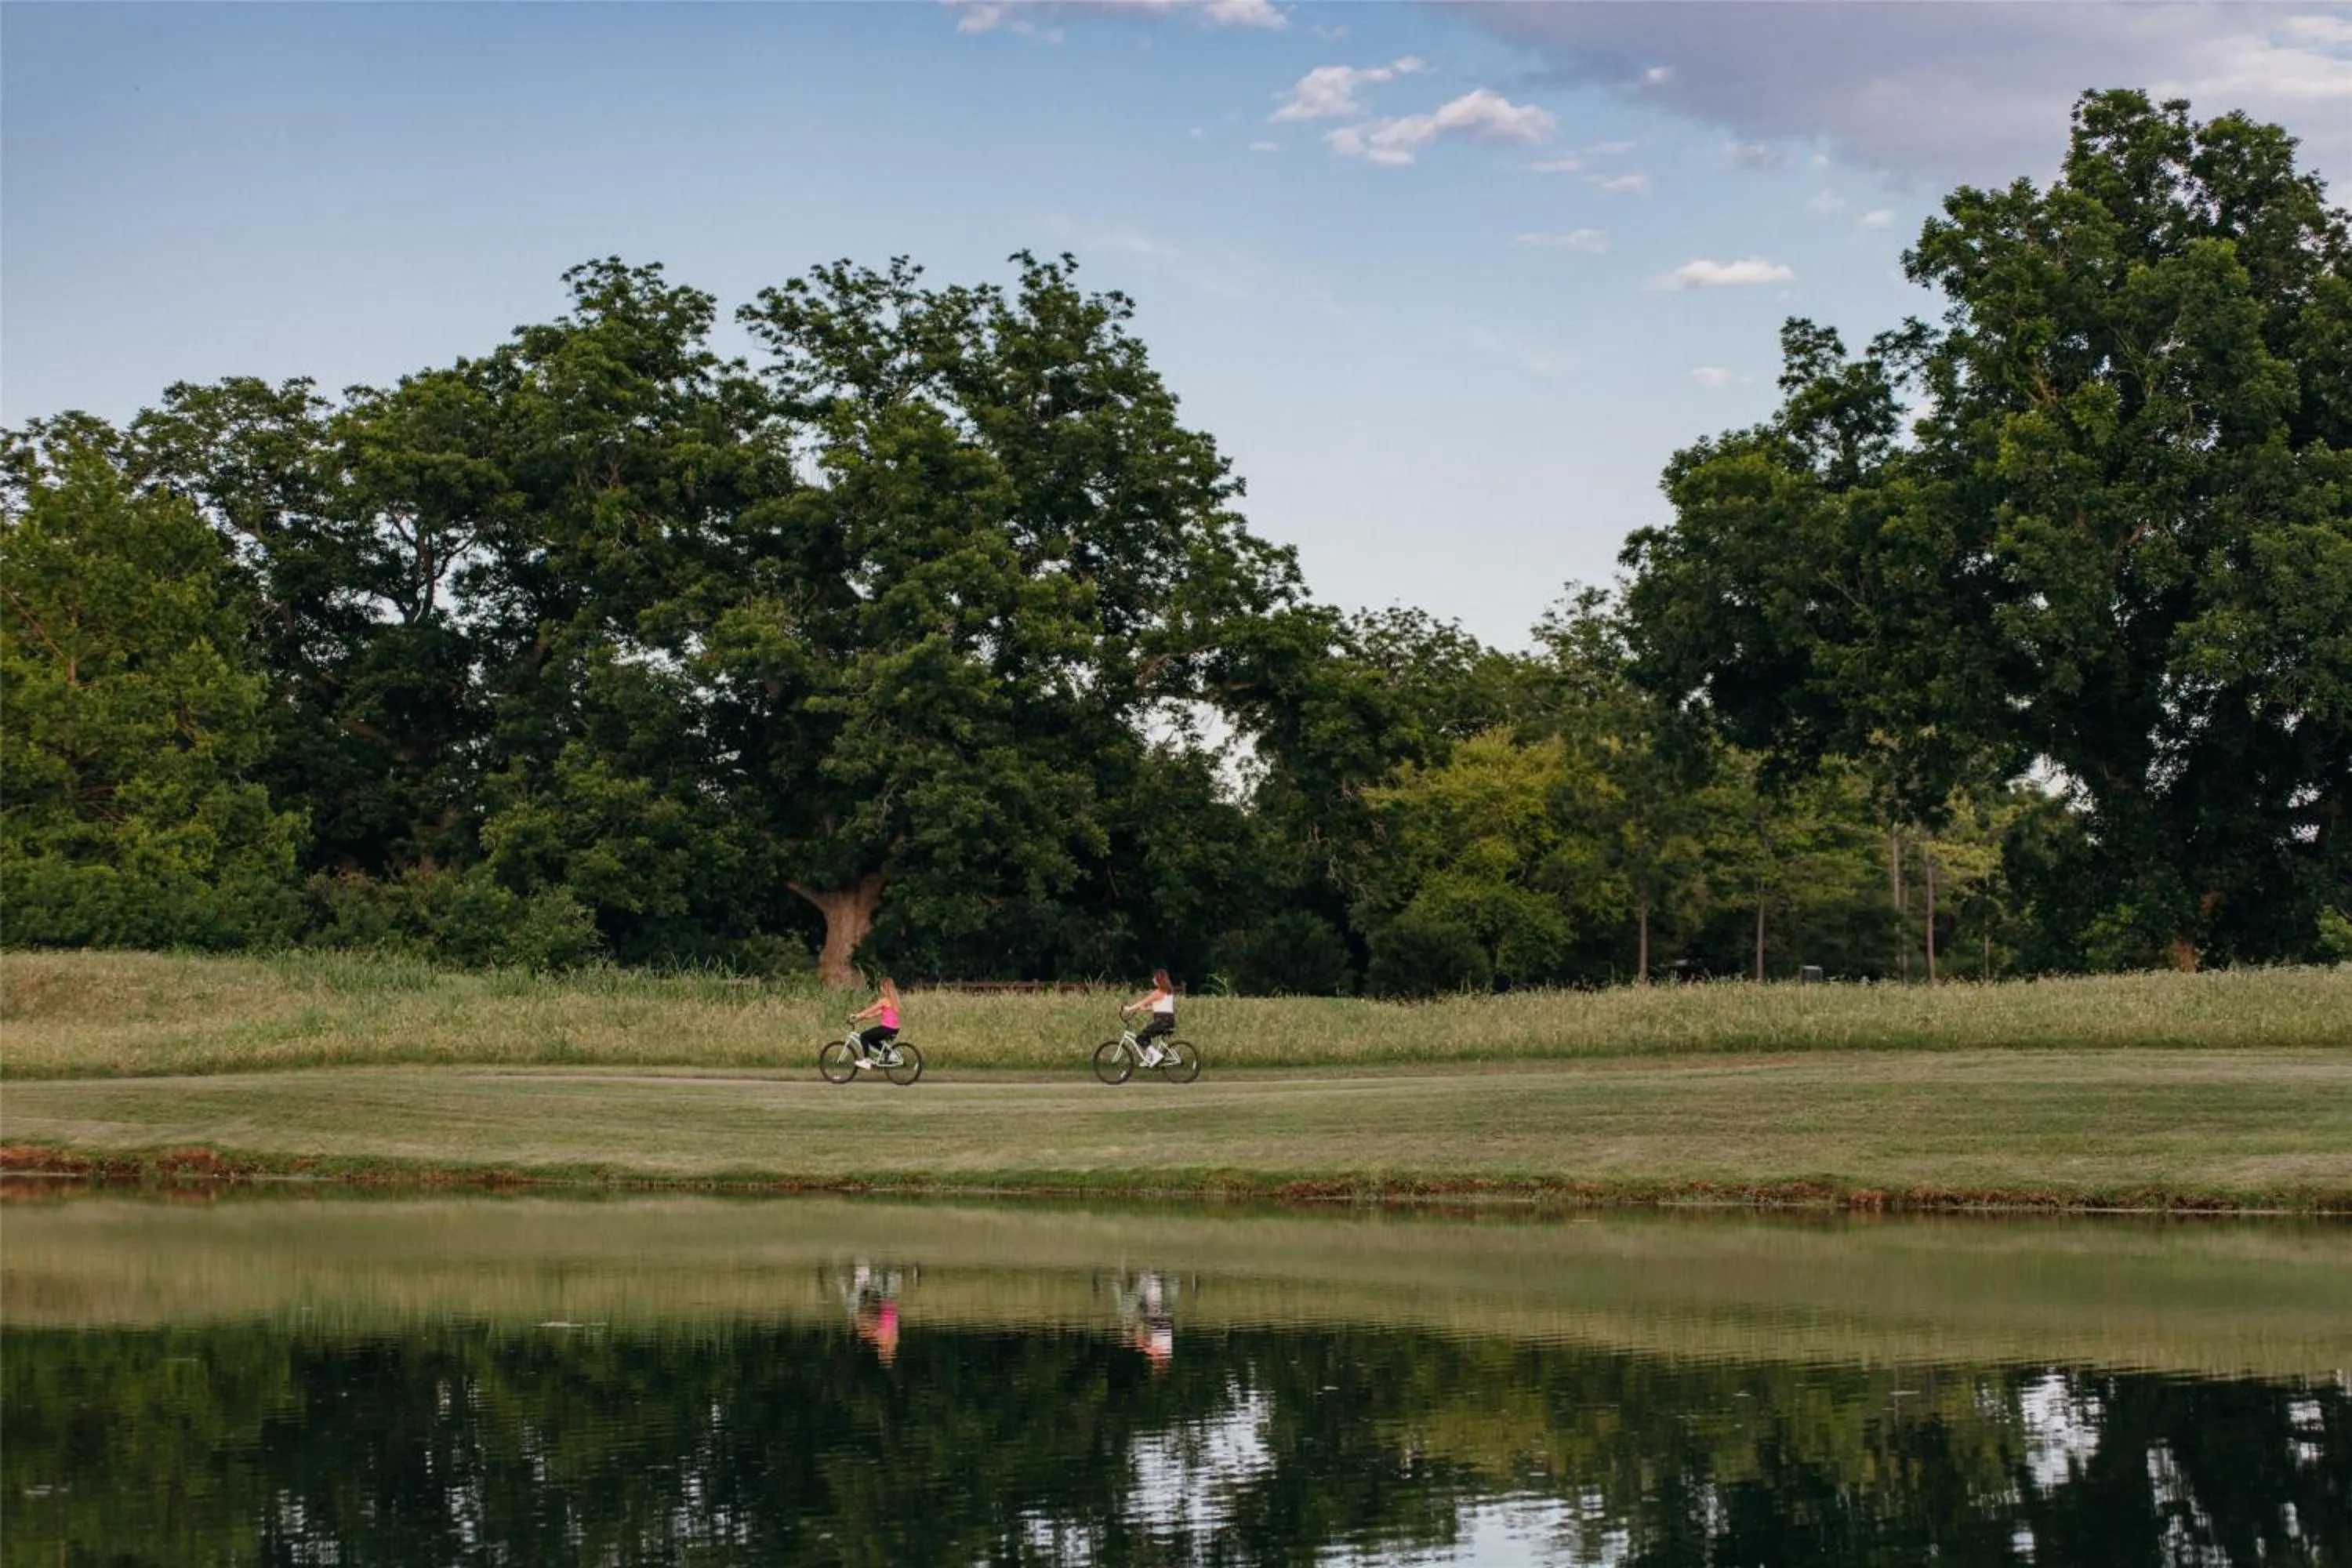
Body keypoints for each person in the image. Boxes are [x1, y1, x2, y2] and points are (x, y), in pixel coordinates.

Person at [1120, 969, 1178, 1067]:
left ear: (1159, 980)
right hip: (1169, 1021)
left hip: (1161, 1022)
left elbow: (1144, 1001)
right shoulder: (1168, 992)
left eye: (1154, 977)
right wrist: (1143, 1009)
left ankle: (1156, 1056)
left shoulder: (1158, 992)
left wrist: (1129, 1009)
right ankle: (1148, 1059)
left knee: (1140, 1038)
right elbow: (1160, 1006)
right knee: (1146, 1035)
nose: (1153, 979)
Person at [849, 978, 903, 1069]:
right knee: (872, 1040)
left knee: (863, 1036)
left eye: (881, 987)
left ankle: (866, 1060)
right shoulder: (894, 1002)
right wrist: (859, 1019)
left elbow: (871, 1009)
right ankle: (889, 1054)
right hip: (894, 1030)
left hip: (887, 1029)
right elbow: (873, 1014)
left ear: (883, 988)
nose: (880, 989)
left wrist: (857, 1015)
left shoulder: (884, 1001)